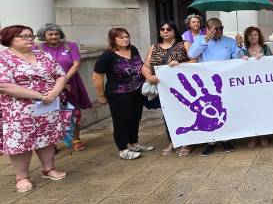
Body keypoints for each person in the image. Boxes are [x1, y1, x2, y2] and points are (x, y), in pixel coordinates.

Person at [0, 25, 69, 192]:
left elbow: (60, 74)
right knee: (21, 142)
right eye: (24, 36)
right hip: (18, 109)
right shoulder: (4, 59)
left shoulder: (42, 55)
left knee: (47, 137)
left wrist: (54, 91)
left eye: (30, 36)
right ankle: (22, 177)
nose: (29, 39)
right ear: (10, 39)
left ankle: (48, 168)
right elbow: (3, 86)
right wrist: (37, 95)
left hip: (47, 104)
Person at [93, 27, 152, 160]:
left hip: (137, 91)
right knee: (121, 120)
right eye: (121, 37)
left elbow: (141, 66)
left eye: (126, 36)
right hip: (118, 94)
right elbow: (97, 76)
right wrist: (101, 95)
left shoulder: (133, 49)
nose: (125, 39)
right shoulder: (107, 55)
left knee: (135, 118)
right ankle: (123, 149)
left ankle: (133, 143)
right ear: (113, 39)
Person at [188, 18, 241, 155]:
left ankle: (226, 139)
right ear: (208, 29)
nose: (218, 31)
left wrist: (240, 46)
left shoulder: (230, 41)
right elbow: (192, 54)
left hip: (225, 81)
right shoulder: (200, 40)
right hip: (207, 82)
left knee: (225, 109)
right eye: (215, 28)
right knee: (210, 111)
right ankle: (211, 141)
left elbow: (238, 57)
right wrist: (206, 39)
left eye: (220, 28)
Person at [35, 23, 92, 151]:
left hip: (71, 84)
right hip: (48, 86)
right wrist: (58, 84)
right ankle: (52, 143)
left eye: (56, 34)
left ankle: (75, 139)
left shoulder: (70, 46)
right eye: (50, 34)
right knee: (49, 113)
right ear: (44, 35)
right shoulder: (37, 48)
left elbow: (76, 64)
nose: (54, 36)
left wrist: (63, 81)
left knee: (74, 112)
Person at [141, 21, 190, 156]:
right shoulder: (154, 47)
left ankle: (186, 142)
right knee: (168, 114)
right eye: (162, 29)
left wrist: (180, 63)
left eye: (169, 29)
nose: (165, 31)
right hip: (163, 88)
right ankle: (173, 141)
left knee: (184, 113)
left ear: (174, 30)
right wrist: (149, 76)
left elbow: (195, 61)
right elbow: (145, 66)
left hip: (182, 86)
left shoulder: (184, 44)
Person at [239, 26, 273, 146]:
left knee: (263, 110)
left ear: (259, 36)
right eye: (250, 35)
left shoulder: (265, 48)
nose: (253, 37)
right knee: (251, 110)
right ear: (247, 38)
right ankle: (253, 135)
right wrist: (242, 59)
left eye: (255, 35)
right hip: (249, 87)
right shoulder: (243, 51)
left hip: (264, 85)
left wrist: (264, 58)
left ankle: (264, 134)